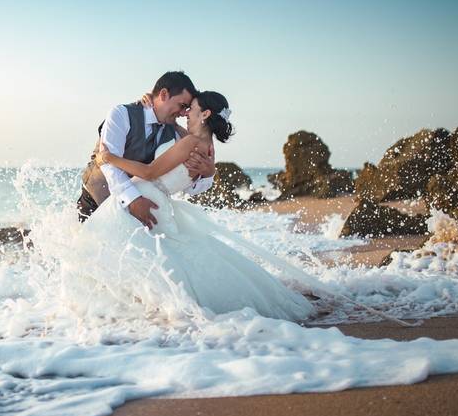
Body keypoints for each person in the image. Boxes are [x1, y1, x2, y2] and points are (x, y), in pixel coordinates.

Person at [76, 90, 314, 321]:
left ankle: (125, 312)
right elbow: (178, 135)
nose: (186, 112)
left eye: (192, 109)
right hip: (154, 198)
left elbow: (149, 172)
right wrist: (148, 103)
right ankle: (140, 311)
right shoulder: (206, 145)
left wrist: (109, 158)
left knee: (121, 252)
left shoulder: (191, 142)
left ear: (206, 114)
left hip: (146, 196)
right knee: (154, 259)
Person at [77, 71, 217, 226]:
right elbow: (109, 165)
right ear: (164, 94)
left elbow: (187, 185)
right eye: (182, 105)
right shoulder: (121, 114)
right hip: (97, 203)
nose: (184, 113)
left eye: (188, 108)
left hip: (141, 216)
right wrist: (133, 200)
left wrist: (208, 174)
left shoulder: (176, 135)